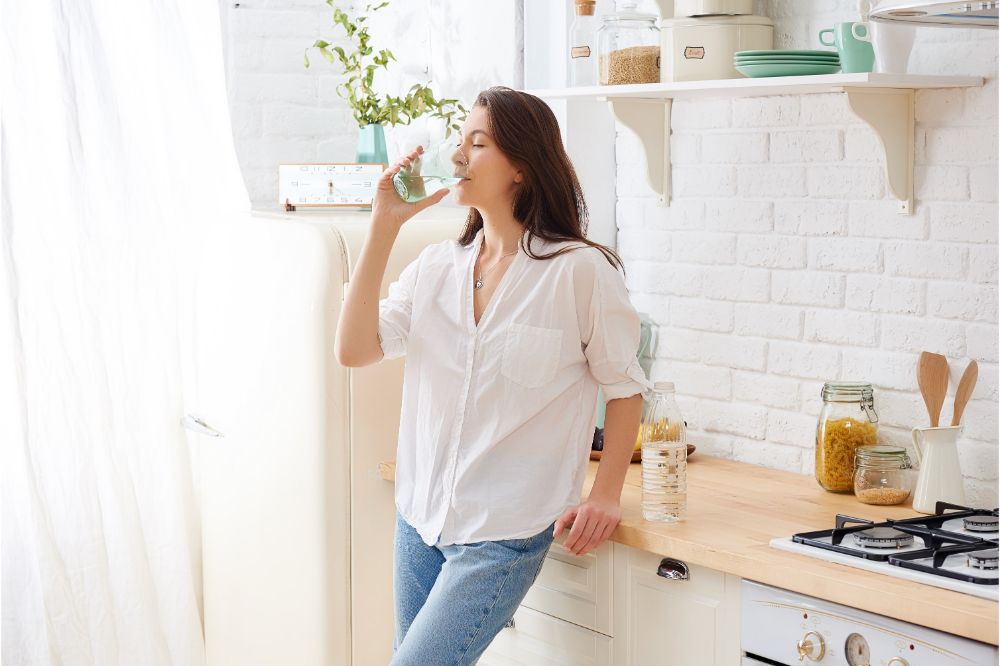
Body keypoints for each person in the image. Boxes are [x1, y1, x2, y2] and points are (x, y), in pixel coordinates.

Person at [335, 86, 650, 665]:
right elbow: (353, 350)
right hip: (420, 521)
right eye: (460, 142)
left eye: (477, 144)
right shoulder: (435, 267)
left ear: (523, 169)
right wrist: (384, 226)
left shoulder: (578, 272)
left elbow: (625, 389)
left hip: (501, 534)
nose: (458, 157)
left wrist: (606, 495)